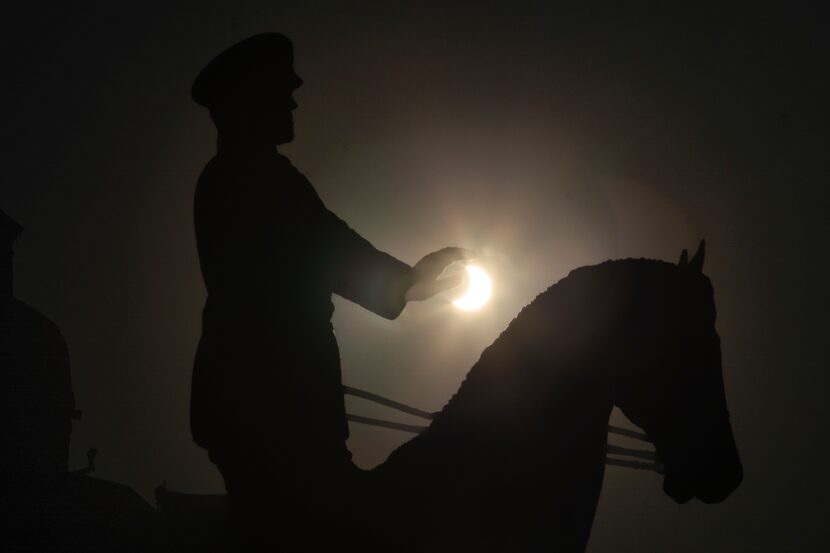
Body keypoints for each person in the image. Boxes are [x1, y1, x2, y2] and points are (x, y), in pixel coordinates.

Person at [188, 33, 470, 544]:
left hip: (262, 400)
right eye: (281, 90)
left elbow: (323, 246)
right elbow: (328, 247)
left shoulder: (235, 176)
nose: (294, 100)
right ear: (252, 99)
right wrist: (409, 281)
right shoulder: (259, 178)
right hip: (275, 405)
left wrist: (406, 282)